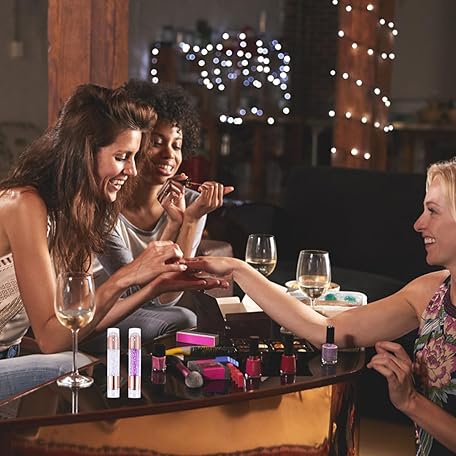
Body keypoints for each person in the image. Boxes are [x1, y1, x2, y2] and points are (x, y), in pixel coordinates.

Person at [187, 158, 456, 455]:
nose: (419, 224)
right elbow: (325, 330)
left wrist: (411, 402)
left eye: (432, 211)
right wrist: (239, 269)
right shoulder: (428, 292)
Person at [0, 83, 226, 400]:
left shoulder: (80, 214)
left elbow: (76, 323)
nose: (131, 171)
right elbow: (52, 339)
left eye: (133, 157)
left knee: (88, 365)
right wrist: (126, 277)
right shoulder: (22, 204)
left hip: (10, 355)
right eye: (121, 157)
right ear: (84, 153)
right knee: (74, 365)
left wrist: (151, 288)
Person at [93, 80, 233, 348]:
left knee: (193, 321)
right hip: (104, 314)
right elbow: (139, 294)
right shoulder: (105, 202)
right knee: (183, 320)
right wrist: (174, 226)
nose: (169, 154)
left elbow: (168, 297)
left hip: (152, 314)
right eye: (157, 143)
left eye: (176, 145)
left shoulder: (191, 202)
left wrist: (189, 220)